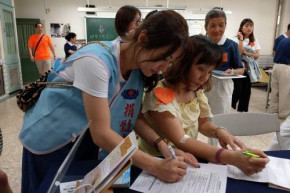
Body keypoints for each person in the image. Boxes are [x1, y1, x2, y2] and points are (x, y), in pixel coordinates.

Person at [19, 10, 190, 192]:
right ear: (143, 37)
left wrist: (163, 147)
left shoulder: (139, 69)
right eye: (163, 58)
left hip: (85, 141)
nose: (163, 67)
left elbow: (134, 117)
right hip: (51, 140)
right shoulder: (96, 60)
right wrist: (154, 166)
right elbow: (101, 133)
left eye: (170, 62)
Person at [139, 35, 269, 175]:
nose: (205, 77)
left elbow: (202, 123)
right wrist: (232, 158)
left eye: (209, 71)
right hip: (157, 161)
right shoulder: (159, 94)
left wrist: (218, 131)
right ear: (182, 62)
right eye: (201, 69)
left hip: (186, 159)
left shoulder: (196, 92)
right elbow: (181, 139)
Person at [203, 9, 245, 115]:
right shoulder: (201, 44)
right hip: (202, 84)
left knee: (220, 117)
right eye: (212, 26)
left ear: (225, 26)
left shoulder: (231, 45)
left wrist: (233, 72)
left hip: (222, 87)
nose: (217, 29)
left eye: (221, 25)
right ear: (206, 27)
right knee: (199, 116)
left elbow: (241, 69)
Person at [232, 18, 261, 112]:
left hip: (249, 69)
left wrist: (248, 53)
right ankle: (232, 105)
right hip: (238, 67)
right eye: (247, 26)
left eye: (251, 26)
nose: (249, 28)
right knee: (237, 89)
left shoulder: (254, 40)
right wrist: (240, 39)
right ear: (241, 27)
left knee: (246, 91)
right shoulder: (235, 39)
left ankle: (242, 110)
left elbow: (257, 55)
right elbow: (240, 52)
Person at [269, 37, 290, 119]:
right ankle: (284, 114)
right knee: (285, 92)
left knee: (275, 91)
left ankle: (273, 112)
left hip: (276, 66)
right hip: (285, 68)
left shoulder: (283, 40)